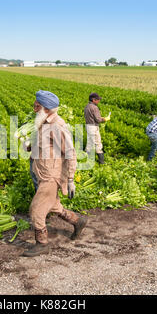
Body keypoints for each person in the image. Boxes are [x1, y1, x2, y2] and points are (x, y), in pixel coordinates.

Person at [23, 90, 87, 257]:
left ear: (47, 108)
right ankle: (78, 221)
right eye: (35, 104)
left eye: (37, 106)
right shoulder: (42, 122)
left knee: (36, 209)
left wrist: (71, 179)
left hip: (50, 176)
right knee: (53, 205)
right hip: (41, 171)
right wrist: (29, 146)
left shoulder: (56, 126)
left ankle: (42, 244)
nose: (34, 108)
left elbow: (70, 153)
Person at [84, 93, 110, 164]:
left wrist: (101, 118)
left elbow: (92, 117)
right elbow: (98, 120)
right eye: (98, 99)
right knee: (97, 143)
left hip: (88, 126)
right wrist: (105, 119)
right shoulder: (94, 108)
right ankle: (101, 162)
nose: (99, 101)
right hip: (93, 127)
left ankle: (87, 160)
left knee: (89, 143)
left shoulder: (87, 106)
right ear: (93, 100)